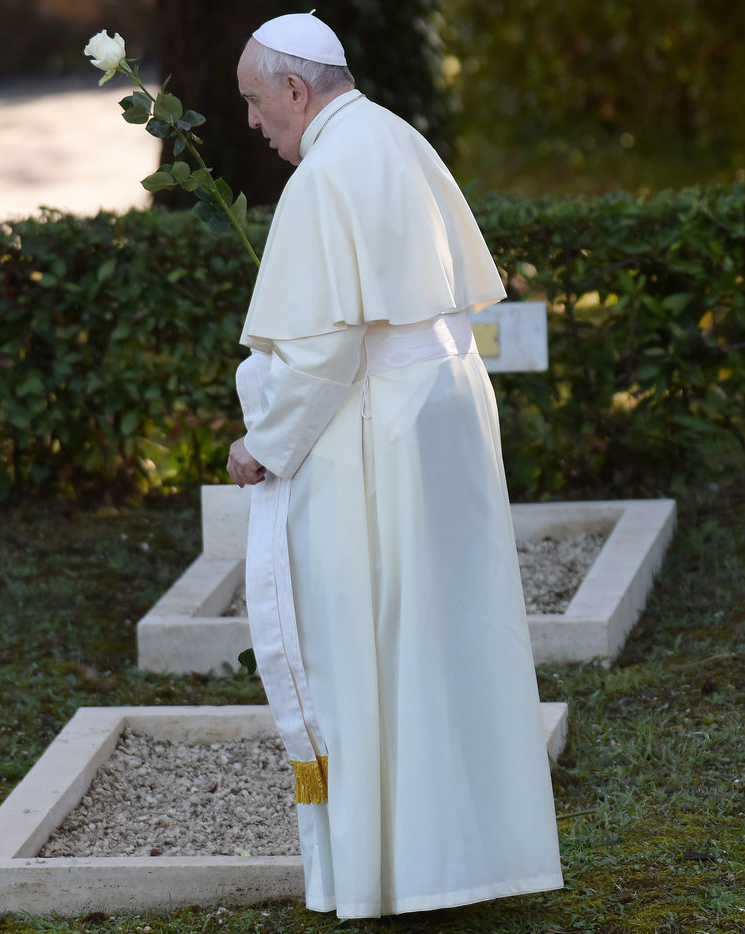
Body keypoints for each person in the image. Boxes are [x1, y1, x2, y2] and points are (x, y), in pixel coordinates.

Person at [225, 11, 564, 919]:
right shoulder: (395, 137)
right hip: (443, 413)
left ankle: (398, 873)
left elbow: (320, 353)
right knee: (447, 638)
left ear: (294, 90)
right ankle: (467, 861)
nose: (252, 122)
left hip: (379, 432)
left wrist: (260, 444)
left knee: (376, 642)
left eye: (255, 101)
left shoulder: (325, 173)